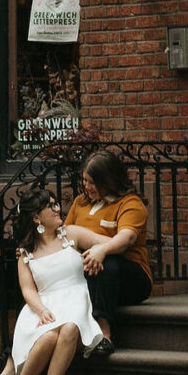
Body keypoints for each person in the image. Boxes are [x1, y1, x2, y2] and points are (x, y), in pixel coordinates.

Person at [0, 187, 103, 375]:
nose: (58, 209)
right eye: (51, 206)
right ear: (36, 218)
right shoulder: (25, 251)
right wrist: (41, 309)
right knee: (48, 337)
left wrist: (101, 250)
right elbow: (27, 288)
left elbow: (106, 242)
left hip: (75, 298)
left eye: (57, 204)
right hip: (42, 307)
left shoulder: (71, 235)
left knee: (70, 327)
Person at [64, 148, 152, 354]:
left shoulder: (130, 203)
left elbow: (126, 238)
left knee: (105, 261)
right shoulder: (80, 203)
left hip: (132, 278)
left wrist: (101, 249)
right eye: (85, 181)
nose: (87, 186)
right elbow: (65, 236)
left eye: (92, 182)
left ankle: (104, 334)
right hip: (89, 272)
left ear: (109, 180)